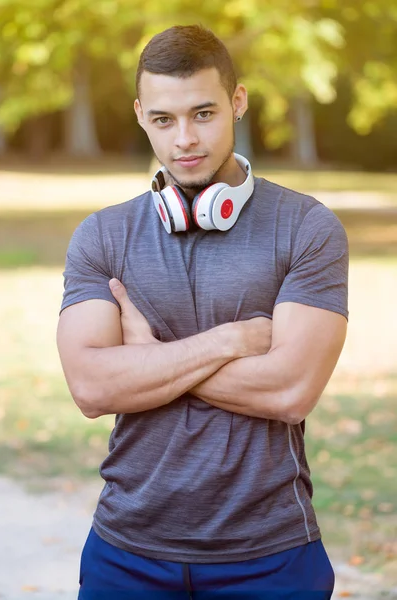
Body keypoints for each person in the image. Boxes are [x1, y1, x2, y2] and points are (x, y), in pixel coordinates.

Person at [57, 24, 349, 600]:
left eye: (204, 113)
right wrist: (233, 341)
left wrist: (147, 363)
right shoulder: (102, 236)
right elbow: (91, 387)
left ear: (237, 102)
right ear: (141, 115)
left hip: (271, 554)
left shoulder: (306, 228)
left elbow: (290, 391)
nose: (185, 138)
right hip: (126, 552)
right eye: (164, 120)